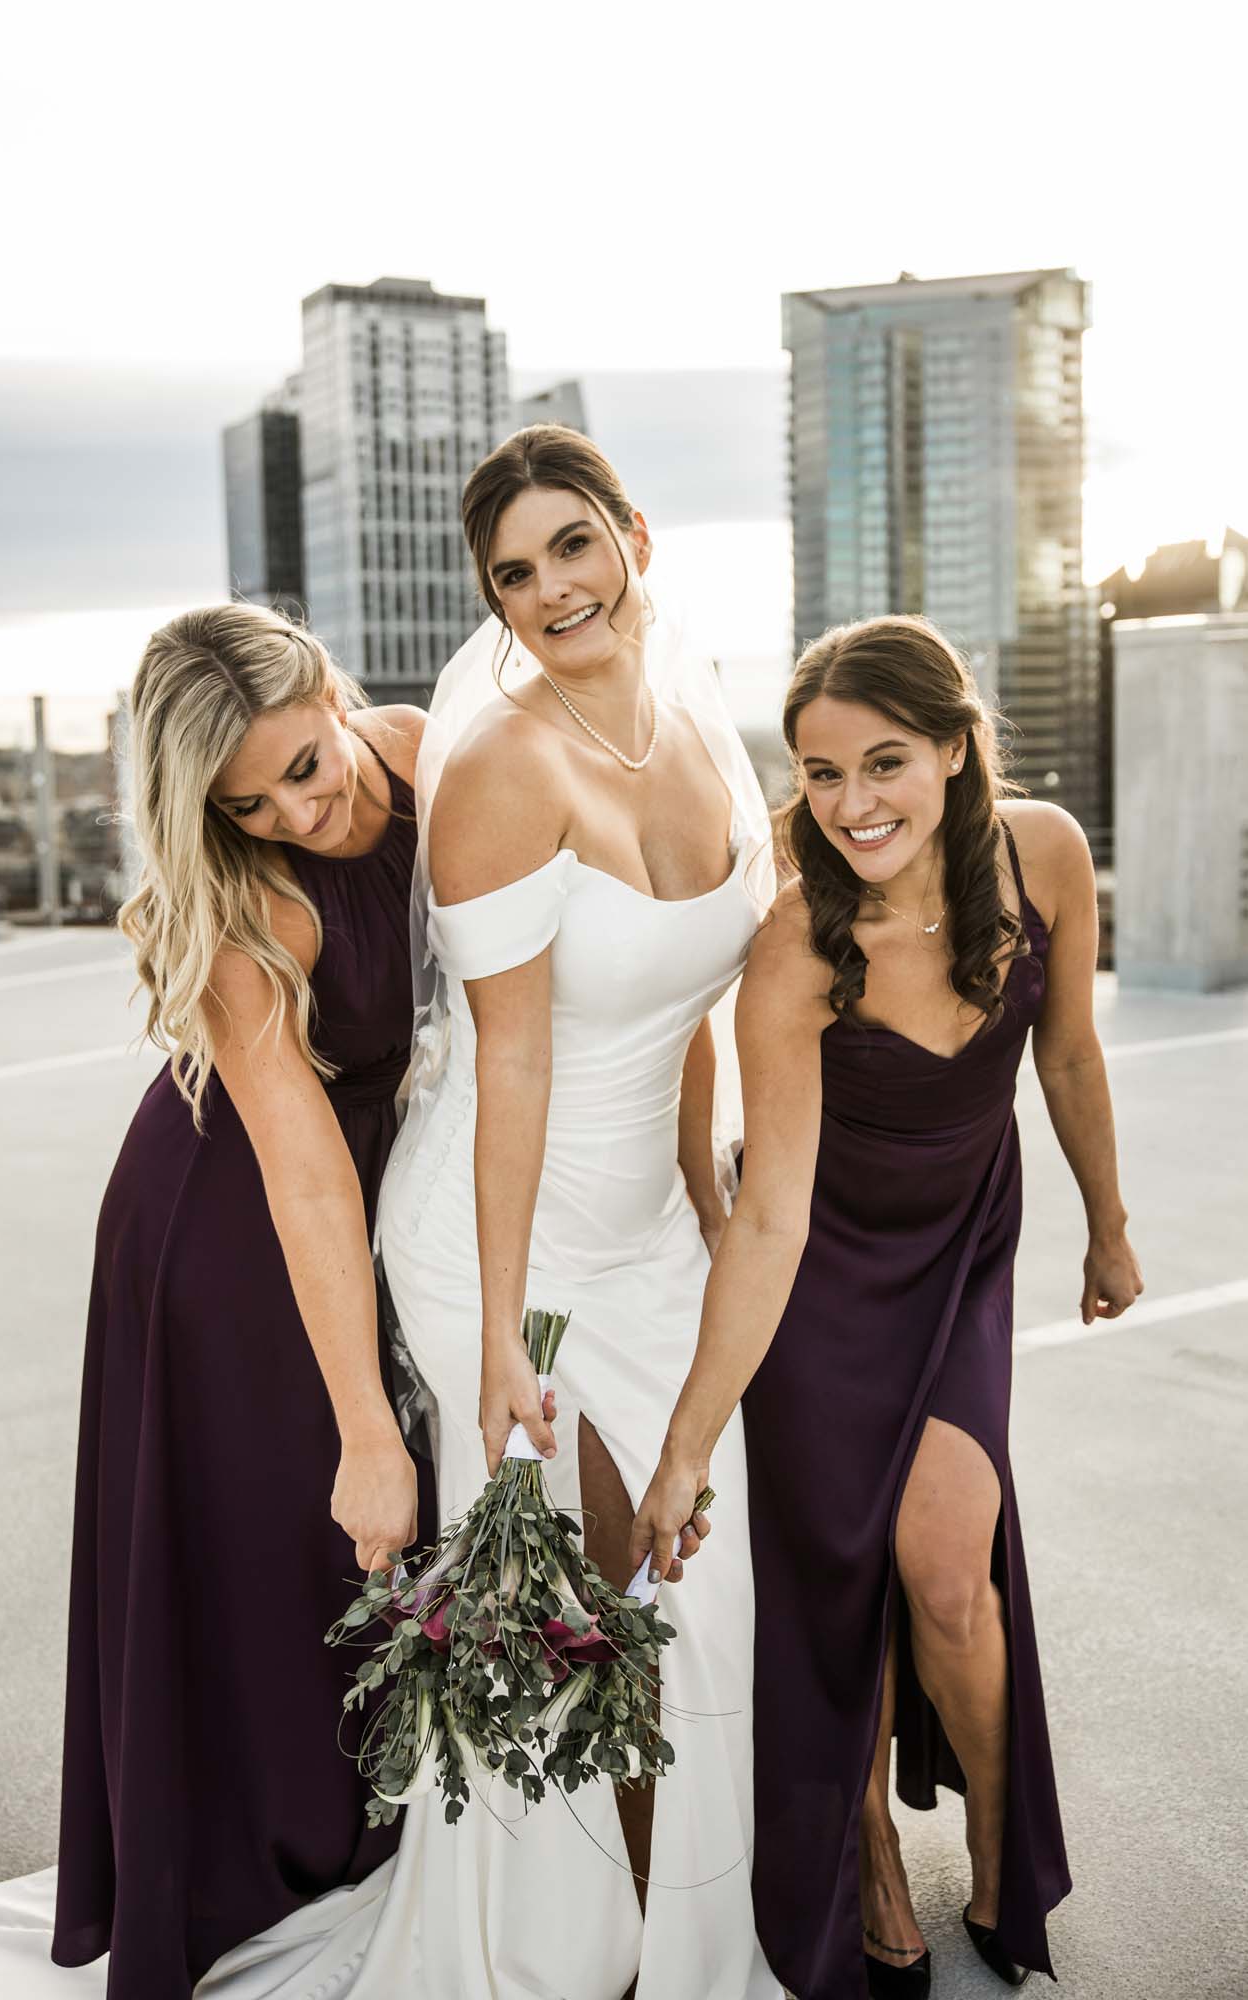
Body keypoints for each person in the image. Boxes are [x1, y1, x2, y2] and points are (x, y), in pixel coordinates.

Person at [631, 615, 1143, 1999]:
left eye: (884, 762)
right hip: (821, 1283)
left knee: (943, 1579)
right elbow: (775, 1211)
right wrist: (688, 1441)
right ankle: (861, 1856)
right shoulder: (796, 945)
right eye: (818, 773)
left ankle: (994, 1840)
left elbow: (1071, 1056)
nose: (852, 803)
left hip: (962, 1252)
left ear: (957, 751)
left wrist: (1106, 1224)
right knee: (831, 1591)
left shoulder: (1045, 853)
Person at [366, 426, 783, 1999]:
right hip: (509, 1246)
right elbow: (513, 1064)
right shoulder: (497, 768)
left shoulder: (698, 720)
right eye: (514, 574)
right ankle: (546, 1957)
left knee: (695, 1577)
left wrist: (704, 1191)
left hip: (652, 1235)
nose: (550, 590)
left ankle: (683, 1937)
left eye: (571, 547)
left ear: (635, 541)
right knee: (564, 1590)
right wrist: (491, 1350)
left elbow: (685, 1015)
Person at [42, 604, 432, 1998]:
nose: (294, 814)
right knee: (300, 1533)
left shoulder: (429, 756)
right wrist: (367, 1426)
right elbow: (306, 1174)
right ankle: (250, 1854)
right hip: (232, 1231)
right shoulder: (248, 901)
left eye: (305, 769)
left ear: (337, 692)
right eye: (246, 800)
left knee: (347, 1550)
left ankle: (373, 1826)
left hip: (375, 1200)